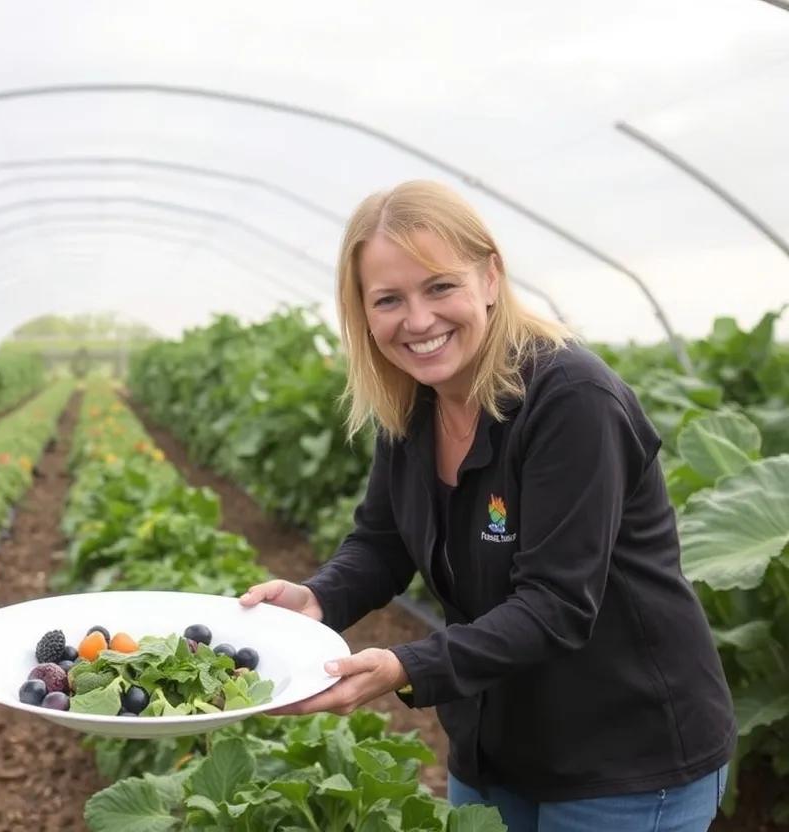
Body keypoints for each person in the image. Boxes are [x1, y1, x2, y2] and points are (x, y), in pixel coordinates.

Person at [239, 180, 736, 832]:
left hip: (625, 756)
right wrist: (318, 600)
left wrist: (405, 666)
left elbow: (556, 605)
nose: (417, 321)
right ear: (362, 313)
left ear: (491, 278)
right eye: (389, 299)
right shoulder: (413, 402)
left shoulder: (570, 400)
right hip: (494, 748)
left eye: (440, 286)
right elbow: (381, 543)